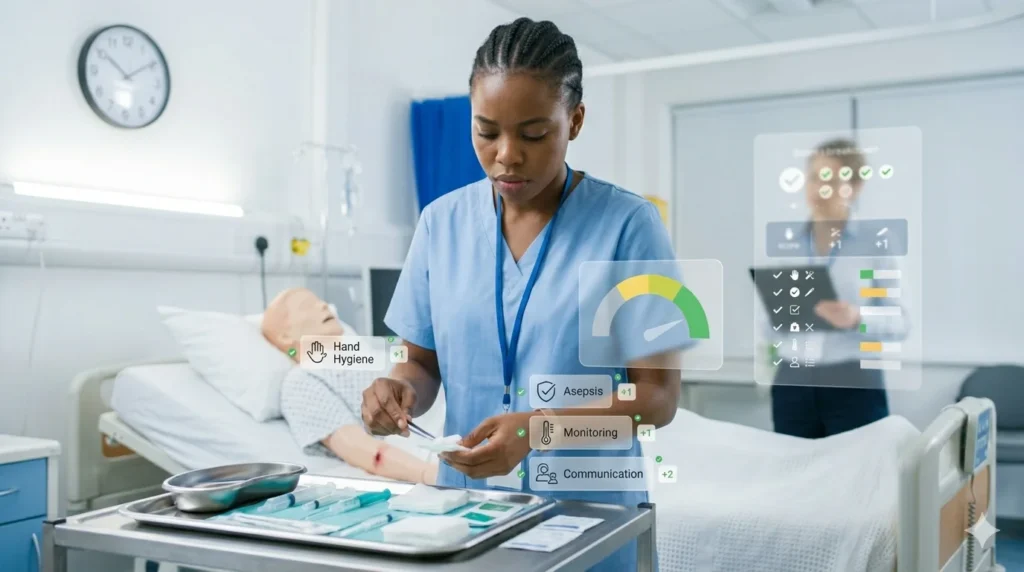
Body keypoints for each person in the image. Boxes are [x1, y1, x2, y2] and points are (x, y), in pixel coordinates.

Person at [361, 18, 680, 571]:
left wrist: (539, 427)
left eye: (533, 134)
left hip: (589, 512)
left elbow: (657, 399)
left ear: (574, 121)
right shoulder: (441, 224)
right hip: (465, 515)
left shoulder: (629, 225)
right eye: (486, 131)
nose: (507, 155)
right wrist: (396, 389)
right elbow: (422, 365)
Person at [770, 139, 908, 438]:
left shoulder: (876, 243)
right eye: (815, 177)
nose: (820, 188)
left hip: (853, 379)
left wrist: (857, 317)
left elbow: (900, 321)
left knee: (859, 476)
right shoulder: (786, 244)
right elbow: (763, 323)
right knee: (794, 473)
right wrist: (784, 313)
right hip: (792, 379)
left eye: (831, 180)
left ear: (855, 187)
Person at [261, 287, 438, 484]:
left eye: (320, 301)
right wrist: (430, 474)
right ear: (286, 336)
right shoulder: (300, 381)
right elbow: (360, 448)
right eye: (307, 306)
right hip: (432, 438)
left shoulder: (367, 355)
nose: (324, 306)